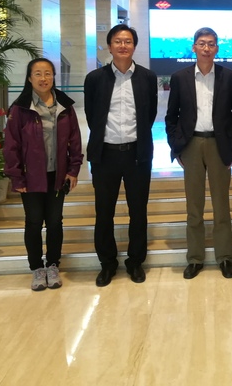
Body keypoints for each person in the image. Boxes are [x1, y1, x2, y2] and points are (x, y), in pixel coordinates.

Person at [84, 24, 158, 287]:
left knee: (138, 211)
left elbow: (149, 115)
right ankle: (107, 263)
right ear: (109, 46)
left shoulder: (147, 77)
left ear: (134, 46)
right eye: (118, 41)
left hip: (137, 154)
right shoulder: (95, 78)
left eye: (128, 41)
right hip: (105, 155)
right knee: (104, 212)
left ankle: (135, 262)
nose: (123, 46)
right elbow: (92, 116)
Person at [165, 27, 232, 280]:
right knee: (194, 207)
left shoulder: (230, 77)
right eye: (202, 43)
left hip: (220, 146)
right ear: (194, 47)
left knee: (221, 206)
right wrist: (177, 146)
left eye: (211, 44)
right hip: (192, 145)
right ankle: (195, 258)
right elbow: (171, 116)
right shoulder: (180, 77)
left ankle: (225, 257)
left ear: (217, 48)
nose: (206, 48)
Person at [4, 58, 83, 291]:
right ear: (29, 78)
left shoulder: (65, 107)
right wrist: (16, 176)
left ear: (54, 77)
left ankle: (53, 264)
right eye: (37, 74)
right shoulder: (20, 109)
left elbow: (75, 140)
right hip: (31, 176)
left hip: (57, 175)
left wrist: (73, 170)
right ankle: (37, 268)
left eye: (47, 73)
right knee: (34, 221)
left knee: (55, 221)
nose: (43, 78)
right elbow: (11, 145)